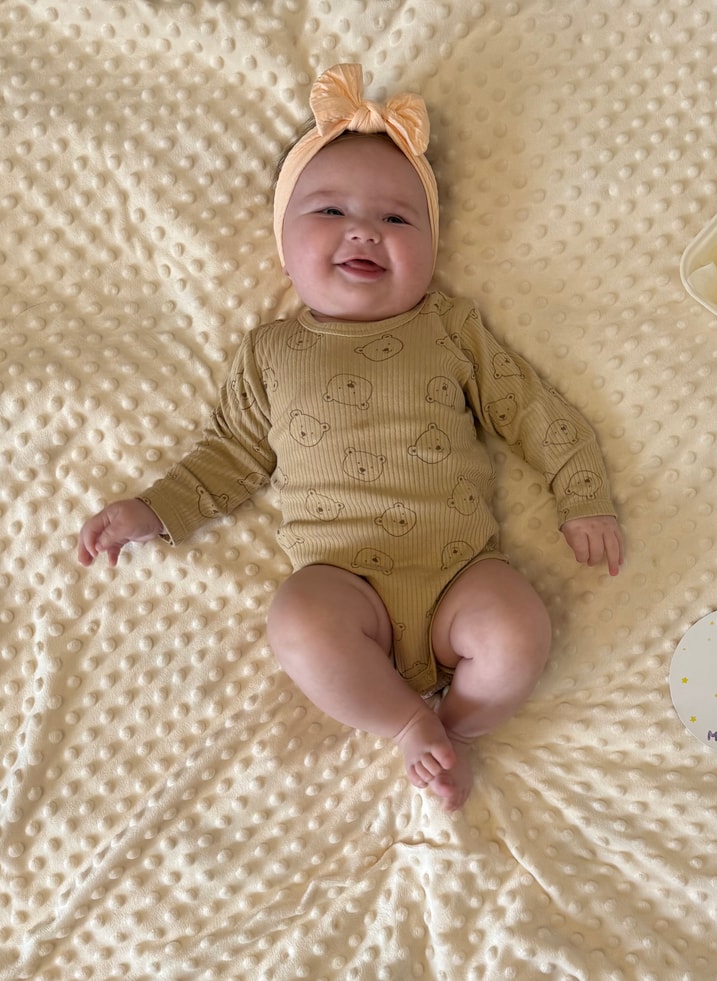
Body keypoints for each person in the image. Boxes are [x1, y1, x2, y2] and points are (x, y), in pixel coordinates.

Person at [78, 64, 624, 812]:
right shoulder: (272, 351)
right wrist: (153, 509)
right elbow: (231, 455)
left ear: (433, 248)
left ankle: (452, 733)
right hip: (345, 587)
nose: (364, 230)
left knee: (519, 626)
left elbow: (527, 409)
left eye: (397, 219)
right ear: (284, 244)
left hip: (460, 577)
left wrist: (583, 493)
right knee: (296, 618)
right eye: (330, 210)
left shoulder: (449, 327)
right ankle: (407, 723)